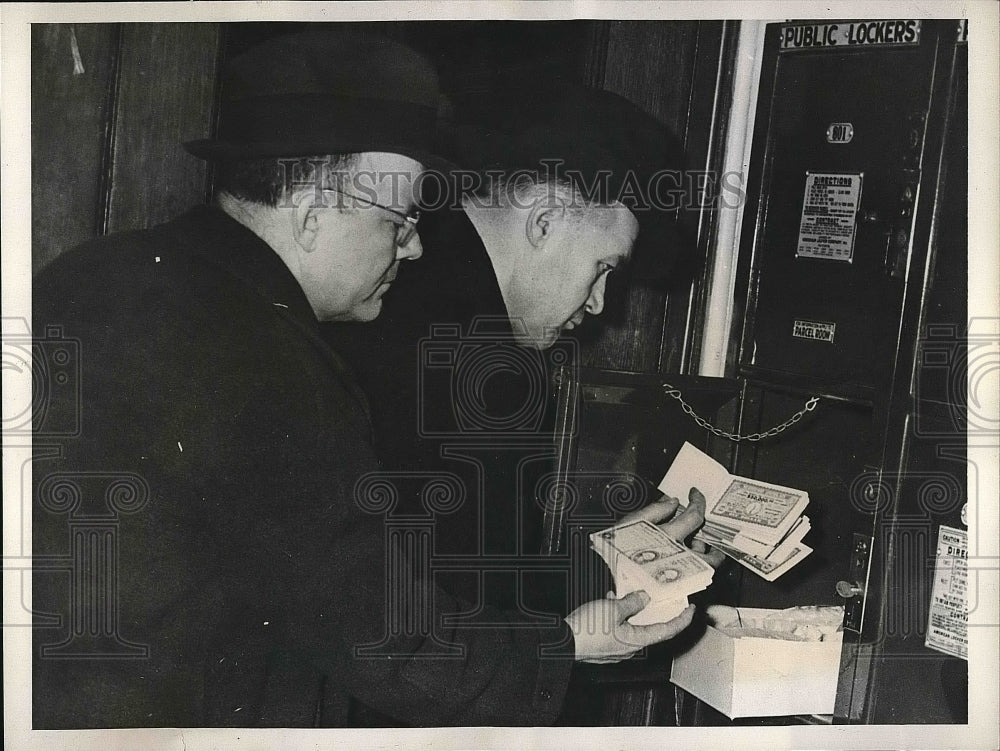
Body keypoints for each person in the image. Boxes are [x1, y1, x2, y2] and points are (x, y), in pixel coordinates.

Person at [32, 29, 711, 729]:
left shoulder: (95, 273)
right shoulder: (270, 357)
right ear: (315, 206)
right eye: (403, 216)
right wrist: (568, 643)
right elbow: (380, 624)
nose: (415, 244)